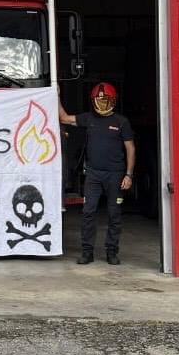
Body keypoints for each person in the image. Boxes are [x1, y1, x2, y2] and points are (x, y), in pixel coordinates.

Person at [59, 82, 135, 265]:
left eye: (106, 100)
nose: (102, 104)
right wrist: (56, 95)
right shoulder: (89, 119)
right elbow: (64, 118)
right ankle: (87, 252)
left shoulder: (121, 122)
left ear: (113, 101)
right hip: (93, 174)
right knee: (88, 212)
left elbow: (130, 149)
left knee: (114, 214)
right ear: (93, 101)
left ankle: (112, 252)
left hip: (116, 175)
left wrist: (129, 175)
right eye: (99, 101)